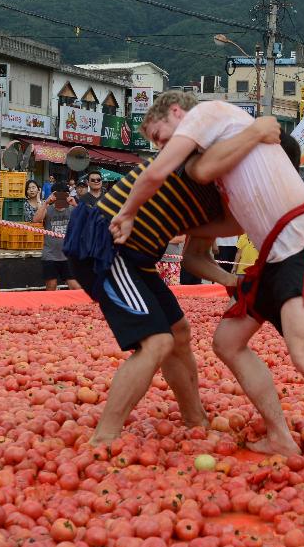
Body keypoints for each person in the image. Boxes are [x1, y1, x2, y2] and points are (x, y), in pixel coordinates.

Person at [110, 92, 304, 487]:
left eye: (161, 135)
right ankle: (281, 437)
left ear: (177, 112)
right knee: (227, 340)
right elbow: (217, 224)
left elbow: (164, 173)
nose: (161, 147)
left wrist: (129, 212)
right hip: (272, 256)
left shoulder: (206, 114)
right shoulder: (222, 160)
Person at [64, 109, 284, 446]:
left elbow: (194, 257)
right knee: (158, 341)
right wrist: (259, 129)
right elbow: (186, 168)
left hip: (138, 258)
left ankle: (193, 418)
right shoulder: (198, 157)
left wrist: (233, 282)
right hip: (107, 246)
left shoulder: (224, 196)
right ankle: (103, 437)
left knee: (178, 332)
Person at [33, 182, 80, 291]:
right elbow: (36, 220)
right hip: (50, 255)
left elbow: (87, 219)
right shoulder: (48, 209)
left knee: (75, 286)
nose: (61, 199)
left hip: (68, 255)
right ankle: (50, 308)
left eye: (64, 195)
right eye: (58, 195)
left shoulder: (72, 209)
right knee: (51, 285)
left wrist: (75, 204)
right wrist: (46, 203)